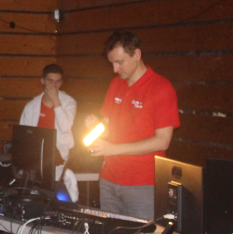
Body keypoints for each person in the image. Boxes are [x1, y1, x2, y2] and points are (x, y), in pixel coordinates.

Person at [83, 30, 179, 220]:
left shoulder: (161, 88)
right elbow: (107, 125)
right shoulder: (115, 84)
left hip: (142, 184)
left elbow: (162, 141)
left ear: (136, 54)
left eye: (120, 62)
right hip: (109, 178)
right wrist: (95, 125)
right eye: (112, 63)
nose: (115, 69)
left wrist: (114, 149)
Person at [19, 63, 77, 162]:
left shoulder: (69, 103)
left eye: (57, 82)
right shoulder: (31, 106)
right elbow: (23, 134)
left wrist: (56, 100)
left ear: (61, 83)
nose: (54, 86)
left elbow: (64, 128)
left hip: (59, 157)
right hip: (35, 156)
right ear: (43, 81)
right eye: (50, 81)